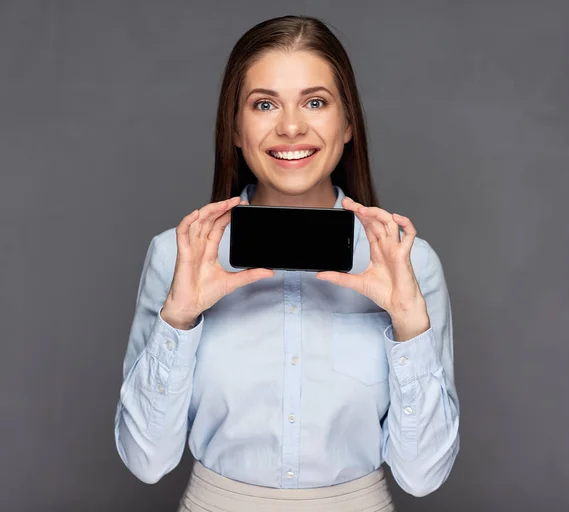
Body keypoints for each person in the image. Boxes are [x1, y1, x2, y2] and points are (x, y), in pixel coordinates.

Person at [114, 15, 459, 512]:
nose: (291, 126)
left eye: (315, 102)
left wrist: (410, 326)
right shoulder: (178, 254)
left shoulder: (409, 262)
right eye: (264, 104)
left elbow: (423, 476)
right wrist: (179, 320)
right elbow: (147, 461)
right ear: (235, 127)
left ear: (347, 125)